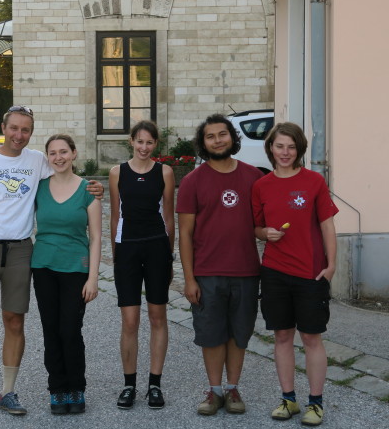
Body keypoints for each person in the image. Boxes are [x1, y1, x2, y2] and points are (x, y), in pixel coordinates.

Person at [0, 106, 103, 422]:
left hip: (20, 252)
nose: (19, 135)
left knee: (14, 321)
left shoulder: (36, 162)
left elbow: (66, 176)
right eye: (14, 128)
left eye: (25, 130)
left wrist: (94, 187)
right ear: (4, 127)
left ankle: (8, 391)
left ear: (31, 133)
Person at [176, 113, 263, 416]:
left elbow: (261, 225)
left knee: (239, 333)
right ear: (203, 143)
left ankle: (233, 388)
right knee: (211, 334)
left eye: (222, 134)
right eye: (210, 136)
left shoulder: (254, 176)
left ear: (232, 137)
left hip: (246, 271)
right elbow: (185, 235)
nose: (217, 140)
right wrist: (189, 279)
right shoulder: (192, 181)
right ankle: (214, 391)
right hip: (207, 272)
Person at [252, 122, 338, 427]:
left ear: (299, 149)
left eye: (291, 147)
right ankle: (288, 399)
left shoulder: (314, 181)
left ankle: (315, 403)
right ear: (271, 148)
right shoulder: (261, 185)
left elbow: (327, 225)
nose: (285, 152)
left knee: (312, 338)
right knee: (282, 336)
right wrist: (265, 233)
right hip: (274, 272)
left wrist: (331, 266)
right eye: (279, 146)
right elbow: (256, 227)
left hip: (310, 273)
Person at [31, 134, 101, 415]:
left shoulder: (89, 190)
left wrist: (93, 278)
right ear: (47, 157)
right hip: (43, 267)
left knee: (70, 330)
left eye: (63, 152)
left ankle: (76, 387)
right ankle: (57, 390)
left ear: (74, 154)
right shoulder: (39, 188)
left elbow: (95, 237)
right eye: (52, 153)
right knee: (51, 331)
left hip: (76, 269)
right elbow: (9, 210)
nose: (58, 157)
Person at [109, 120, 175, 410]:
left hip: (157, 246)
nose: (144, 147)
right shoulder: (116, 173)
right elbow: (114, 216)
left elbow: (170, 217)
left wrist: (170, 256)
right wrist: (115, 254)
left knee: (158, 317)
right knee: (130, 321)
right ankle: (129, 385)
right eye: (140, 142)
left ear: (155, 144)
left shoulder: (165, 172)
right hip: (128, 249)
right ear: (131, 142)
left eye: (149, 142)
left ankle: (155, 385)